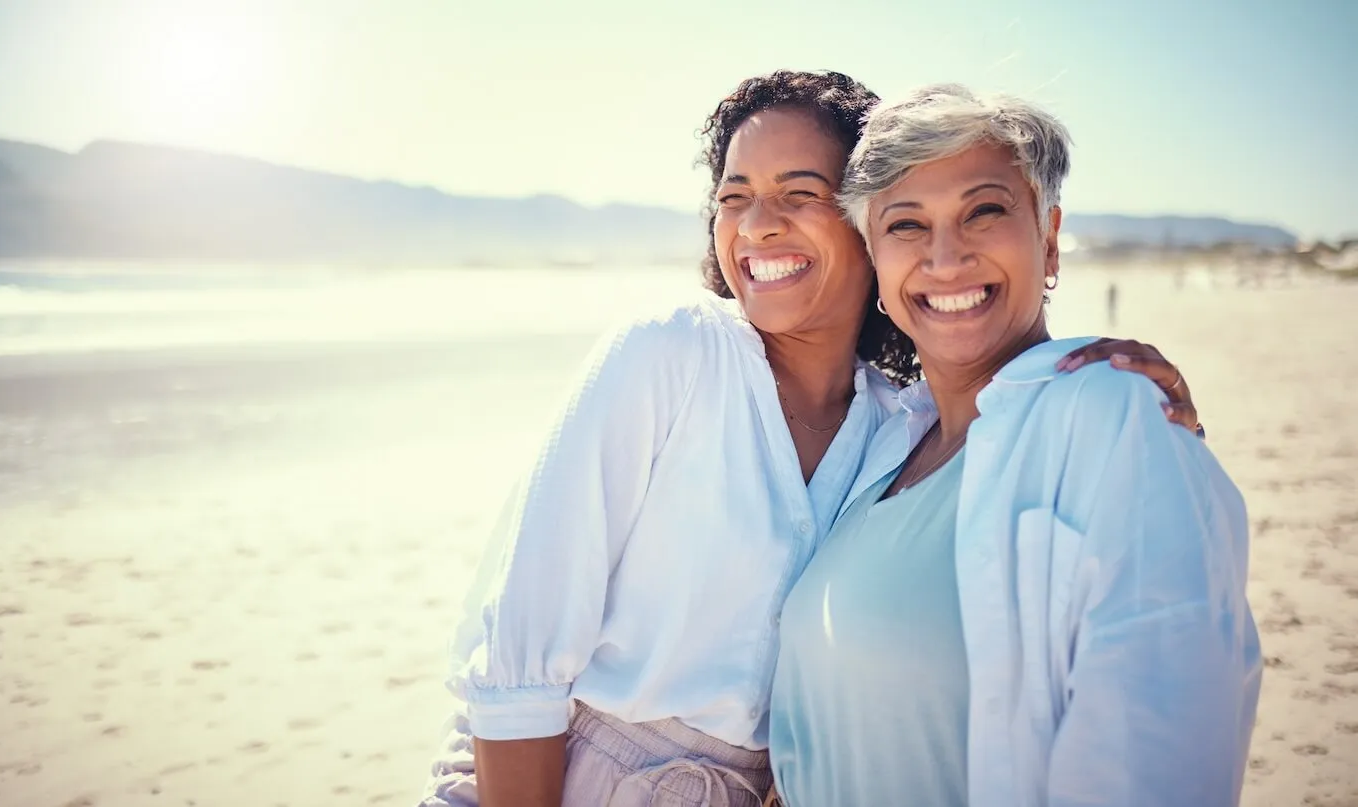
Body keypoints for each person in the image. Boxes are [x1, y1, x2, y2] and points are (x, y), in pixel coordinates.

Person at [419, 71, 1205, 807]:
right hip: (549, 775)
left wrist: (1096, 373)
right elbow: (515, 665)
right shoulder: (671, 353)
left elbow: (999, 372)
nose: (759, 225)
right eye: (736, 197)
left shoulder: (901, 427)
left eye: (801, 192)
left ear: (864, 225)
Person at [768, 84, 1260, 807]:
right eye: (906, 225)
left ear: (1050, 236)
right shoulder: (880, 444)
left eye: (985, 211)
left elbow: (1152, 746)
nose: (946, 257)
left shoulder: (1111, 412)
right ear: (875, 261)